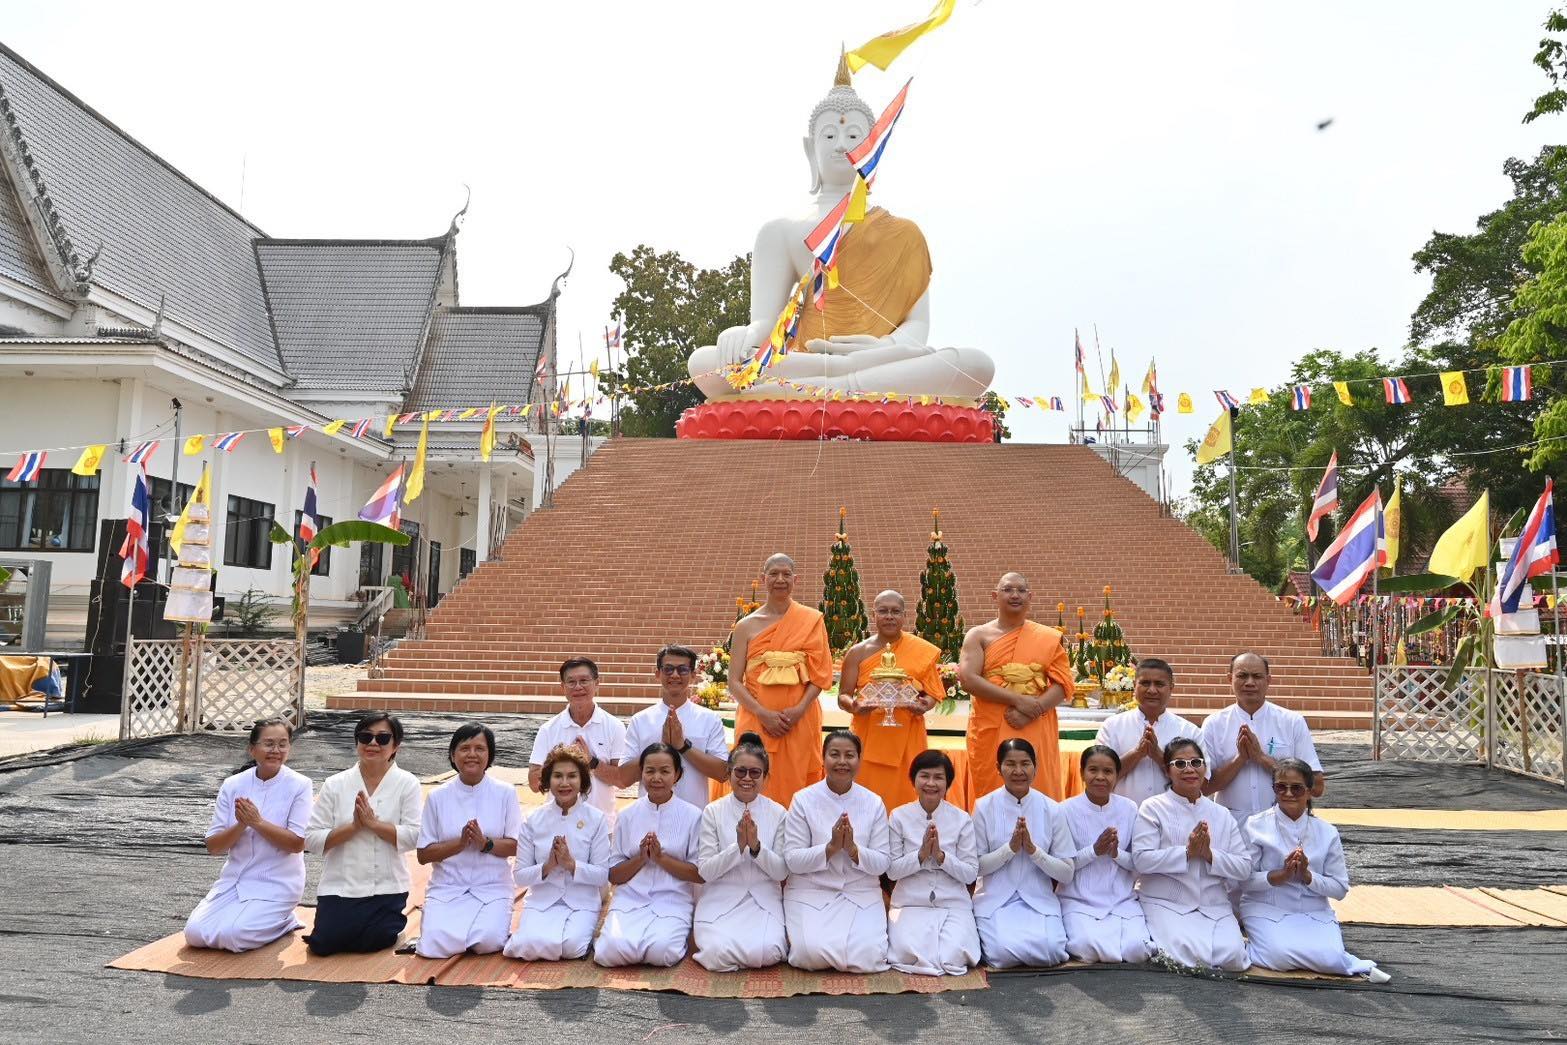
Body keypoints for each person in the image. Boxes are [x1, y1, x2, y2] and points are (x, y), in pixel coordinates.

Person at [685, 54, 992, 401]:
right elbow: (765, 326)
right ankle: (846, 386)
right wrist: (743, 334)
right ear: (809, 149)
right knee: (707, 363)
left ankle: (826, 390)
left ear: (873, 146)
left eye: (853, 135)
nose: (842, 145)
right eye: (830, 135)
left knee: (976, 365)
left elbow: (916, 327)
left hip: (880, 358)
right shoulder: (780, 231)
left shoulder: (905, 233)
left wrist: (884, 348)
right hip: (810, 359)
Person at [1242, 759, 1390, 983]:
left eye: (1297, 788)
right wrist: (1278, 876)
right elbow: (1242, 880)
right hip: (1266, 906)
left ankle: (1334, 954)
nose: (1288, 793)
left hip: (1312, 910)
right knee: (1278, 957)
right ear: (1273, 789)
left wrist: (1309, 877)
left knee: (1331, 960)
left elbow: (1340, 889)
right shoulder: (1255, 825)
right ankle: (1245, 947)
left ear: (1309, 792)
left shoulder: (1326, 832)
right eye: (1281, 787)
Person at [184, 718, 312, 952]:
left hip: (277, 882)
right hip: (235, 879)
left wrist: (257, 822)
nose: (276, 751)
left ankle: (284, 921)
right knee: (194, 934)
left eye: (283, 744)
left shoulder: (300, 785)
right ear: (252, 749)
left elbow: (297, 844)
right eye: (269, 744)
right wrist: (241, 825)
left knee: (234, 936)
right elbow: (214, 847)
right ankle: (250, 916)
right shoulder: (233, 784)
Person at [303, 712, 422, 956]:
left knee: (374, 941)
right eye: (365, 737)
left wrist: (373, 824)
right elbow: (312, 839)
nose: (373, 744)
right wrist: (354, 827)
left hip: (387, 886)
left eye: (383, 738)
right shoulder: (335, 783)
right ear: (357, 742)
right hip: (340, 885)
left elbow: (415, 836)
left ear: (395, 745)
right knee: (324, 945)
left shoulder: (407, 783)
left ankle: (388, 926)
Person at [1131, 738, 1250, 972]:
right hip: (1166, 902)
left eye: (1196, 762)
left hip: (1212, 904)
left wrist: (1209, 855)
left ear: (1204, 769)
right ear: (1167, 770)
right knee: (1185, 955)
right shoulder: (1153, 807)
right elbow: (1141, 859)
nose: (1189, 769)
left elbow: (1244, 867)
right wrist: (1186, 853)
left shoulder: (1221, 814)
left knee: (1233, 958)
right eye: (1180, 764)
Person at [782, 730, 892, 973]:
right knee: (809, 955)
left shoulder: (873, 802)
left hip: (859, 891)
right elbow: (792, 860)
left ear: (860, 760)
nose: (842, 762)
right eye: (835, 754)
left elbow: (883, 862)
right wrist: (830, 848)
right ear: (823, 758)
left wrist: (853, 850)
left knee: (869, 957)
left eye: (849, 755)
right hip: (812, 889)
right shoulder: (803, 800)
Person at [729, 554, 835, 804]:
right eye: (774, 574)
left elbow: (820, 675)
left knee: (799, 786)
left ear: (795, 580)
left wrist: (799, 709)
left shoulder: (811, 620)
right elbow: (734, 681)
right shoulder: (746, 626)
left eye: (786, 574)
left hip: (799, 719)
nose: (780, 579)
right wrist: (761, 712)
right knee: (753, 778)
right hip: (756, 718)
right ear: (763, 578)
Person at [958, 573, 1073, 800]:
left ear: (1030, 597)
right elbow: (969, 679)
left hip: (1035, 723)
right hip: (990, 723)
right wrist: (1017, 700)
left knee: (1039, 790)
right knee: (990, 792)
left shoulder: (1048, 637)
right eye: (1008, 590)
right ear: (995, 596)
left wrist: (1035, 709)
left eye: (1021, 591)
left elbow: (1063, 683)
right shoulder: (979, 635)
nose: (1015, 595)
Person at [414, 723, 522, 958]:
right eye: (464, 748)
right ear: (453, 755)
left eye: (479, 748)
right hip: (448, 886)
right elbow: (423, 855)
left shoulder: (506, 792)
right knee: (434, 945)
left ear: (489, 755)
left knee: (488, 942)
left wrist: (486, 843)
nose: (472, 754)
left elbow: (516, 845)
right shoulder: (437, 796)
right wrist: (460, 844)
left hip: (492, 885)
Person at [594, 743, 704, 968]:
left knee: (662, 953)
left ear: (677, 775)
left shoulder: (693, 816)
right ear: (641, 773)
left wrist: (661, 858)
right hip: (630, 900)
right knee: (607, 953)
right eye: (650, 771)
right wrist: (642, 858)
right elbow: (614, 875)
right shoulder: (626, 815)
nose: (656, 778)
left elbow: (698, 873)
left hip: (672, 900)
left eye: (665, 771)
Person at [970, 738, 1076, 967]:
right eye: (1010, 764)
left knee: (1052, 951)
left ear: (1035, 767)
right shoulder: (983, 806)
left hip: (1038, 899)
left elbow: (1067, 873)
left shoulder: (1052, 809)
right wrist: (1009, 849)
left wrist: (1032, 850)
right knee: (1001, 954)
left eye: (1025, 764)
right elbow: (974, 868)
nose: (1018, 771)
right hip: (995, 900)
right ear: (998, 768)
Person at [838, 590, 947, 811]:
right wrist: (855, 706)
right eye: (883, 611)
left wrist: (923, 706)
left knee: (907, 795)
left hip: (908, 734)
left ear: (904, 616)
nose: (889, 616)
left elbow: (932, 694)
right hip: (868, 733)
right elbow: (843, 695)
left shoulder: (920, 650)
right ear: (874, 614)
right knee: (866, 798)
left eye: (895, 611)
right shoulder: (858, 653)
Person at [505, 744, 612, 961]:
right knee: (524, 946)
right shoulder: (533, 820)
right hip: (543, 900)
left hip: (581, 900)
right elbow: (520, 875)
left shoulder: (596, 819)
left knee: (572, 947)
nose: (565, 783)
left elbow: (602, 875)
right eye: (558, 776)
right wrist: (548, 866)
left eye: (572, 776)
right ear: (547, 780)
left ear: (582, 781)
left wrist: (571, 864)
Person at [692, 733, 790, 971]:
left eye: (755, 773)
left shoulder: (778, 813)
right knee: (716, 952)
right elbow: (705, 871)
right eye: (740, 771)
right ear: (729, 774)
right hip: (720, 897)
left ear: (765, 777)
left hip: (763, 900)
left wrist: (756, 847)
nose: (747, 778)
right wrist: (737, 847)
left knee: (769, 950)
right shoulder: (712, 811)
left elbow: (780, 872)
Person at [885, 750, 981, 976]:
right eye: (924, 776)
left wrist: (941, 857)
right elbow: (891, 871)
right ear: (913, 780)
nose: (931, 783)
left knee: (954, 956)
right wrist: (920, 855)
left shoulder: (962, 819)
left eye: (938, 777)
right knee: (909, 954)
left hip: (953, 903)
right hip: (910, 902)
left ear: (948, 783)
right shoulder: (898, 816)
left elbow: (970, 874)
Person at [1056, 745, 1154, 964]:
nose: (1100, 777)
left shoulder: (1129, 809)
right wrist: (1094, 851)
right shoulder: (1064, 810)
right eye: (1093, 770)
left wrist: (1116, 853)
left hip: (1121, 899)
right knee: (1088, 948)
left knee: (1137, 950)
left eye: (1108, 771)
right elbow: (1063, 867)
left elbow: (1138, 863)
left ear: (1117, 775)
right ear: (1082, 773)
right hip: (1078, 900)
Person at [1202, 652, 1325, 825]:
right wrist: (1240, 759)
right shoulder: (1214, 724)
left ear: (1268, 680)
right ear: (1230, 678)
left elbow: (1317, 786)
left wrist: (1261, 758)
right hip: (1230, 827)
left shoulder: (1291, 721)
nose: (1250, 682)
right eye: (1242, 676)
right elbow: (1203, 787)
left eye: (1257, 676)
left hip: (1282, 825)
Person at [601, 645, 729, 808]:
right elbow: (624, 778)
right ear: (657, 673)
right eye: (668, 669)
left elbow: (722, 773)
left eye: (682, 670)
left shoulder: (709, 719)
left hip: (695, 816)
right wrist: (658, 749)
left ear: (693, 675)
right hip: (650, 815)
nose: (675, 675)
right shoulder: (641, 720)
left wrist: (683, 747)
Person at [529, 657, 627, 824]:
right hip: (557, 822)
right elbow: (533, 783)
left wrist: (591, 762)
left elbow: (622, 780)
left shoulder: (615, 727)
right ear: (563, 687)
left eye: (584, 680)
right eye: (571, 682)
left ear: (597, 683)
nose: (578, 687)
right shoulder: (548, 729)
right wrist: (561, 761)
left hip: (602, 825)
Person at [1094, 658, 1202, 805]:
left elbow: (1199, 782)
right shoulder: (1112, 726)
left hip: (1174, 817)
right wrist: (1137, 753)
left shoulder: (1189, 730)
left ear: (1171, 687)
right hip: (1123, 817)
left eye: (1159, 684)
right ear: (1134, 685)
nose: (1152, 690)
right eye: (1145, 683)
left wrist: (1159, 755)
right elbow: (1100, 776)